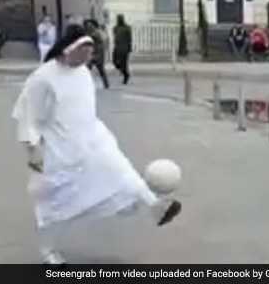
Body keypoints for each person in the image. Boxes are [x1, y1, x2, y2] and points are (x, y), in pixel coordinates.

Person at [12, 25, 181, 264]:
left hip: (95, 139)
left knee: (122, 171)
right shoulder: (43, 78)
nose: (89, 57)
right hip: (61, 150)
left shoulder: (83, 72)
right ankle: (48, 251)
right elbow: (28, 115)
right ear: (69, 50)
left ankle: (156, 207)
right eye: (85, 51)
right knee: (56, 207)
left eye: (91, 52)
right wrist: (32, 149)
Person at [85, 19, 109, 89]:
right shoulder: (89, 33)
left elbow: (102, 42)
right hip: (92, 54)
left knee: (101, 69)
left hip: (98, 54)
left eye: (90, 25)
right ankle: (85, 84)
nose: (88, 26)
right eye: (88, 25)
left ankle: (106, 84)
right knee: (87, 69)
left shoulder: (97, 32)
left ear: (93, 25)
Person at [113, 14, 132, 85]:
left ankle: (126, 75)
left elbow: (130, 39)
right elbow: (115, 36)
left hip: (124, 48)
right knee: (115, 62)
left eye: (120, 18)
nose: (119, 20)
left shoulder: (127, 28)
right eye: (118, 18)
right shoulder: (115, 28)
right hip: (117, 47)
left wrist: (129, 48)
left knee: (124, 64)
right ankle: (122, 70)